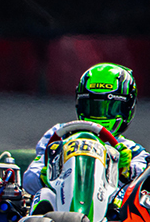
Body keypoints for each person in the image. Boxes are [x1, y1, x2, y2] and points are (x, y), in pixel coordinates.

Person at [23, 63, 146, 196]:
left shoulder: (133, 152)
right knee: (42, 196)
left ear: (127, 108)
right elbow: (29, 180)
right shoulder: (61, 135)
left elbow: (143, 182)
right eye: (92, 107)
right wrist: (47, 177)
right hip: (60, 205)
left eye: (110, 109)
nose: (99, 115)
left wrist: (124, 172)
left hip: (108, 212)